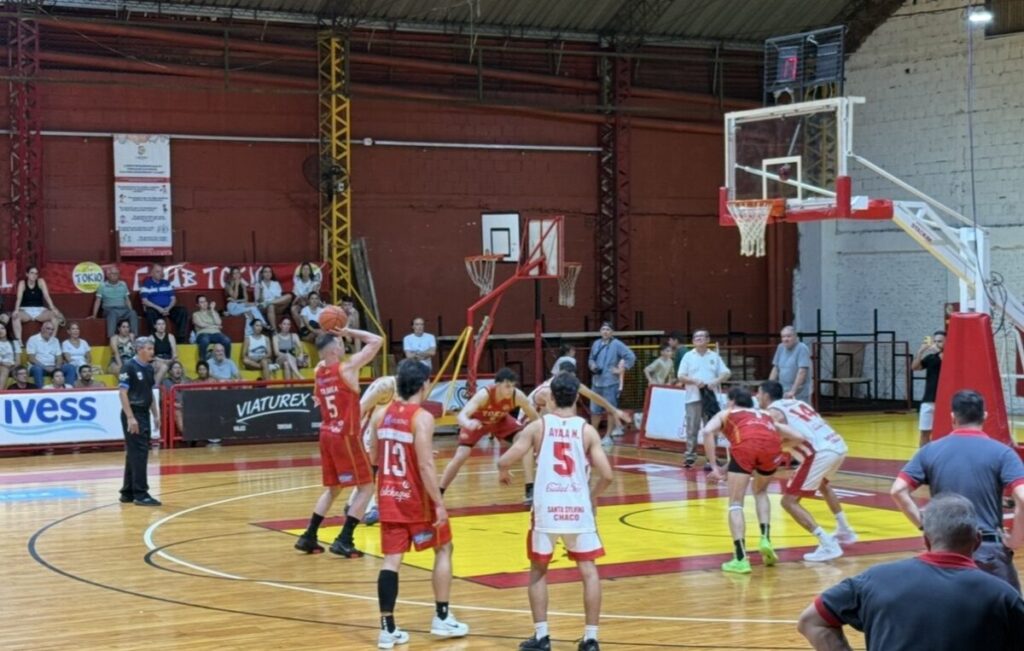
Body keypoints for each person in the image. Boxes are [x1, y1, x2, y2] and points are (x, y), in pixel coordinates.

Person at [798, 493, 1024, 651]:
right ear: (976, 541)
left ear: (926, 540)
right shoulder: (1002, 596)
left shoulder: (874, 580)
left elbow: (811, 621)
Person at [498, 372, 614, 651]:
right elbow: (607, 475)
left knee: (538, 570)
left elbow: (505, 458)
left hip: (547, 509)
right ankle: (591, 639)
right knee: (588, 571)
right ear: (576, 397)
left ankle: (542, 636)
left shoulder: (538, 427)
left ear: (550, 397)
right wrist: (590, 496)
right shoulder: (586, 430)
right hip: (578, 510)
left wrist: (503, 470)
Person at [366, 360, 469, 648]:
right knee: (444, 547)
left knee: (391, 561)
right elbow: (424, 466)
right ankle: (442, 617)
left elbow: (375, 457)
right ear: (424, 384)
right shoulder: (422, 417)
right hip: (416, 499)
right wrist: (438, 504)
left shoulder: (380, 413)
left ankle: (387, 629)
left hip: (388, 495)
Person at [890, 389, 1024, 589]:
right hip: (988, 552)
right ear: (984, 417)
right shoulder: (1003, 453)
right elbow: (1022, 497)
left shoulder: (930, 450)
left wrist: (925, 526)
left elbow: (897, 491)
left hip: (944, 553)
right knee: (1010, 615)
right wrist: (1016, 539)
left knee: (947, 617)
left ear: (953, 417)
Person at [293, 327, 383, 557]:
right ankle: (345, 539)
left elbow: (318, 388)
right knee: (366, 487)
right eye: (341, 342)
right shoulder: (347, 368)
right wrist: (346, 329)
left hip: (326, 434)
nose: (344, 344)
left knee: (333, 488)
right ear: (334, 349)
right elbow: (377, 340)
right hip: (346, 435)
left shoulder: (318, 372)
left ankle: (309, 536)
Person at [701, 386, 799, 573]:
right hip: (771, 450)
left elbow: (707, 432)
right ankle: (765, 539)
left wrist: (714, 466)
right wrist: (778, 446)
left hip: (745, 449)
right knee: (760, 492)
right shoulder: (764, 414)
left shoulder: (727, 413)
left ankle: (740, 558)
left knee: (735, 504)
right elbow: (798, 436)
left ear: (731, 401)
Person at [758, 380, 857, 561]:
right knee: (823, 485)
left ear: (765, 395)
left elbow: (790, 438)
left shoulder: (772, 413)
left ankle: (827, 544)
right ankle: (844, 529)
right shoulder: (797, 402)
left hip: (819, 452)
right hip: (837, 444)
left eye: (758, 393)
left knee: (788, 502)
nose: (757, 397)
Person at [438, 367, 540, 497]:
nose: (510, 390)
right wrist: (468, 423)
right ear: (497, 385)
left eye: (513, 386)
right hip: (478, 422)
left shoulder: (517, 395)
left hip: (500, 421)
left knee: (526, 441)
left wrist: (542, 435)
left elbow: (536, 419)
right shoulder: (484, 394)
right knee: (461, 455)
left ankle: (529, 488)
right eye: (507, 386)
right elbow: (462, 415)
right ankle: (440, 491)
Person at [677, 328, 732, 468]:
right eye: (697, 338)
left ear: (708, 340)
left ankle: (711, 457)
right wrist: (695, 381)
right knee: (692, 427)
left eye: (703, 337)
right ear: (693, 341)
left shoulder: (714, 356)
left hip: (710, 397)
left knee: (711, 428)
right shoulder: (688, 356)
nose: (700, 340)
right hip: (693, 397)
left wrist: (716, 381)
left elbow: (726, 373)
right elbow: (681, 376)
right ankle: (690, 456)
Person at [118, 336, 161, 506]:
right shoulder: (128, 366)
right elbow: (122, 393)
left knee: (134, 454)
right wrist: (130, 417)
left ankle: (127, 492)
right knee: (140, 453)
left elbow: (150, 394)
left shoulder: (149, 369)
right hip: (134, 413)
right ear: (139, 349)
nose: (152, 352)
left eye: (152, 349)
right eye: (149, 349)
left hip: (144, 413)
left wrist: (156, 415)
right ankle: (141, 494)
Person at [587, 322, 636, 437]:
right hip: (596, 382)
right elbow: (590, 359)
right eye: (603, 329)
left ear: (612, 332)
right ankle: (594, 434)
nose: (605, 331)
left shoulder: (617, 344)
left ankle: (608, 436)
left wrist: (621, 369)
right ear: (600, 331)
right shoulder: (596, 344)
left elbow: (631, 356)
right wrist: (593, 366)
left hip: (610, 383)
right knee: (595, 410)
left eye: (608, 329)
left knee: (610, 410)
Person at [11, 266, 63, 348]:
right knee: (15, 317)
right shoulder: (22, 283)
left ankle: (52, 340)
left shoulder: (40, 281)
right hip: (25, 311)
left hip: (40, 311)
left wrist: (53, 308)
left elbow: (47, 296)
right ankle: (19, 341)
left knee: (54, 315)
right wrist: (16, 310)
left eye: (36, 273)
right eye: (32, 273)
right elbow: (19, 298)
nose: (34, 275)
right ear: (27, 274)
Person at [911, 330, 946, 447]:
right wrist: (920, 352)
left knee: (944, 432)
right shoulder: (931, 357)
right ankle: (923, 457)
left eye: (940, 341)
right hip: (929, 398)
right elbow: (915, 367)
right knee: (924, 431)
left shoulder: (952, 356)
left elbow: (947, 363)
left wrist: (938, 351)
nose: (937, 344)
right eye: (935, 341)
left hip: (944, 400)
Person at [140, 263, 189, 337]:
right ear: (152, 273)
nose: (161, 274)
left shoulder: (167, 283)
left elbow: (173, 299)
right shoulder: (147, 284)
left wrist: (168, 308)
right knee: (150, 312)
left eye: (161, 272)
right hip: (155, 309)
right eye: (158, 272)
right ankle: (154, 338)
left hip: (168, 308)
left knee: (182, 311)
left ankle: (181, 338)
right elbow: (145, 301)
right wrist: (159, 308)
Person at [92, 265, 139, 338]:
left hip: (123, 309)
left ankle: (133, 336)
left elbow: (127, 300)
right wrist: (94, 315)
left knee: (133, 313)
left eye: (116, 274)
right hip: (109, 310)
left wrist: (130, 310)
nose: (115, 276)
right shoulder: (102, 285)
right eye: (113, 274)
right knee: (113, 313)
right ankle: (112, 337)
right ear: (108, 275)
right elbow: (98, 301)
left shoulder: (123, 284)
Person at [769, 325, 812, 402]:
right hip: (782, 391)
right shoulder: (780, 347)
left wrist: (793, 391)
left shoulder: (802, 348)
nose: (785, 339)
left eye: (788, 336)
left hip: (799, 393)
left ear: (795, 337)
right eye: (783, 337)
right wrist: (768, 387)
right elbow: (775, 368)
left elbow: (802, 371)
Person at [27, 321, 77, 388]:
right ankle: (40, 393)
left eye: (52, 329)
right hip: (39, 366)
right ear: (42, 329)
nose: (50, 331)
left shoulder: (55, 340)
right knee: (37, 369)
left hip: (53, 367)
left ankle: (68, 390)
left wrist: (57, 368)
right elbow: (31, 359)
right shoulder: (33, 339)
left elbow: (59, 358)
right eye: (48, 329)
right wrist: (45, 367)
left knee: (70, 367)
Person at [223, 266, 267, 332]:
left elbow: (245, 300)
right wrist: (237, 285)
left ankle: (255, 330)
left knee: (251, 311)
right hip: (232, 306)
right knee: (251, 309)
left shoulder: (243, 285)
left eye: (238, 273)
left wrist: (236, 300)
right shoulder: (228, 285)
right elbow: (235, 296)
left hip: (241, 305)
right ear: (231, 275)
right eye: (234, 273)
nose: (236, 275)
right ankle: (264, 325)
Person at [192, 295, 232, 362]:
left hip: (216, 333)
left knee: (227, 340)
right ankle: (202, 362)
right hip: (202, 334)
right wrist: (215, 326)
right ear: (198, 305)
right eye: (201, 302)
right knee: (205, 340)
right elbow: (202, 325)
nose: (204, 303)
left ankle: (227, 361)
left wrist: (212, 310)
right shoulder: (196, 314)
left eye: (205, 301)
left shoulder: (213, 312)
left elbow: (219, 323)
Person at [254, 265, 292, 332]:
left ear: (272, 273)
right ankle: (274, 330)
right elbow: (258, 301)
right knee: (270, 306)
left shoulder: (276, 283)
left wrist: (270, 301)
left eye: (269, 272)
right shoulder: (258, 284)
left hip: (276, 305)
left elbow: (279, 298)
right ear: (262, 274)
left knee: (289, 296)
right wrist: (261, 291)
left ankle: (269, 302)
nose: (268, 273)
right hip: (263, 307)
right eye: (265, 272)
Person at [162, 361, 189, 439]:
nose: (178, 370)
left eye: (179, 368)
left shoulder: (187, 381)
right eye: (175, 368)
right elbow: (162, 399)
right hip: (173, 407)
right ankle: (187, 434)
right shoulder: (165, 382)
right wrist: (173, 404)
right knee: (177, 412)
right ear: (170, 371)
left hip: (187, 406)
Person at [289, 262, 322, 326]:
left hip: (312, 302)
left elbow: (313, 295)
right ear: (301, 271)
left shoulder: (314, 283)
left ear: (310, 271)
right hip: (300, 303)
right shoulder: (297, 284)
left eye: (307, 269)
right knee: (293, 309)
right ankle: (302, 328)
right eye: (304, 269)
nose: (306, 271)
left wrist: (304, 298)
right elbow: (296, 298)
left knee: (312, 299)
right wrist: (300, 300)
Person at [151, 317, 178, 384]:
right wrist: (163, 361)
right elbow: (152, 356)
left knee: (175, 365)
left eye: (163, 324)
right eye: (159, 324)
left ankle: (155, 387)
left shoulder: (171, 337)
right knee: (163, 366)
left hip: (169, 359)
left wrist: (172, 359)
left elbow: (174, 353)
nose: (161, 326)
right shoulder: (151, 338)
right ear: (155, 326)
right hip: (157, 360)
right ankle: (155, 387)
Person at [0, 322, 16, 389]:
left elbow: (18, 361)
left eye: (2, 328)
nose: (0, 331)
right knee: (5, 369)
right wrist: (4, 364)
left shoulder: (14, 343)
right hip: (2, 365)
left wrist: (12, 366)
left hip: (12, 366)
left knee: (21, 371)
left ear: (6, 329)